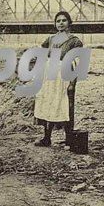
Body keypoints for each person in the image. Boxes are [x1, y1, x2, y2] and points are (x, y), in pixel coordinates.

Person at [33, 11, 83, 147]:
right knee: (48, 102)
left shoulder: (75, 41)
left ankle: (69, 139)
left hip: (65, 76)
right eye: (58, 21)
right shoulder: (50, 40)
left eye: (64, 20)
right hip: (49, 77)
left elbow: (78, 64)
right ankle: (47, 138)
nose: (61, 23)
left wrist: (72, 83)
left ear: (69, 23)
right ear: (55, 24)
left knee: (65, 105)